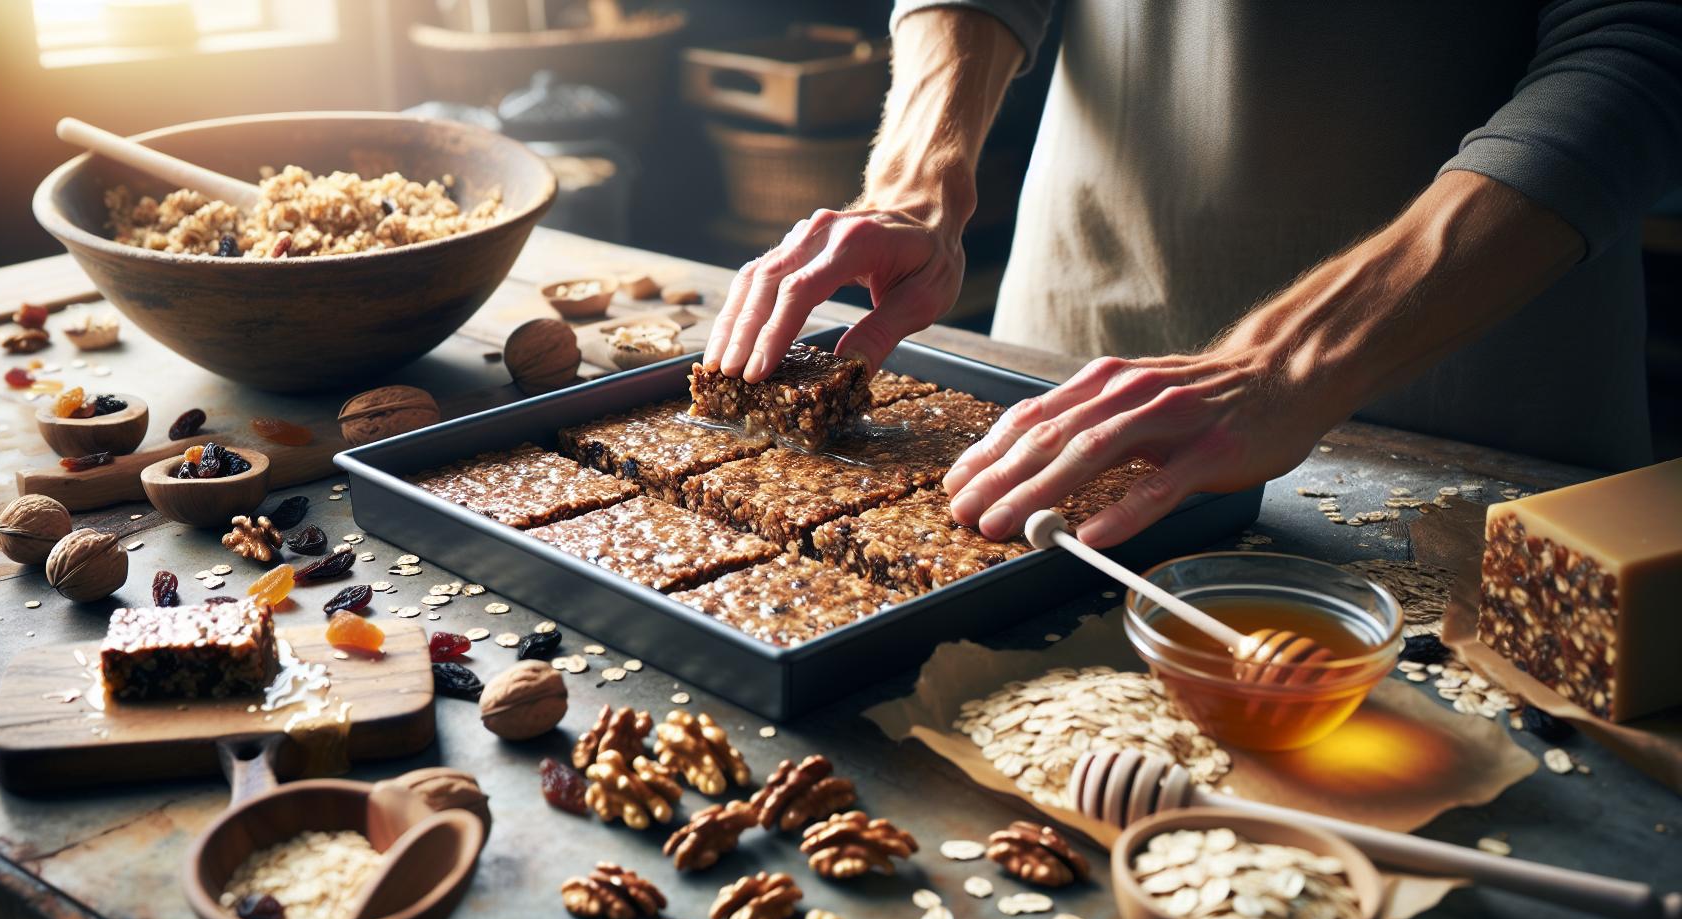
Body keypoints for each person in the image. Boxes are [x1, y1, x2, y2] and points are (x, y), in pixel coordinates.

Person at [702, 0, 1681, 549]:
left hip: (1469, 376)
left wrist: (1293, 359)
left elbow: (1642, 47)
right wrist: (915, 175)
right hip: (1069, 340)